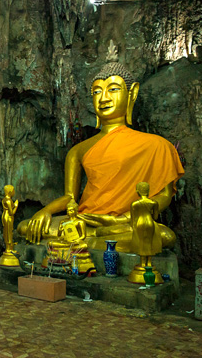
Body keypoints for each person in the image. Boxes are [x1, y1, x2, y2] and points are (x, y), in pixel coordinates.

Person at [18, 62, 184, 252]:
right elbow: (70, 197)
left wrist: (127, 217)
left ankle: (88, 242)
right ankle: (103, 242)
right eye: (97, 92)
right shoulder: (79, 150)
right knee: (26, 227)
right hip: (87, 220)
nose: (104, 98)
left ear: (132, 93)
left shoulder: (157, 145)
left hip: (126, 222)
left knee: (164, 236)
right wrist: (45, 211)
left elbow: (164, 195)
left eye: (113, 89)